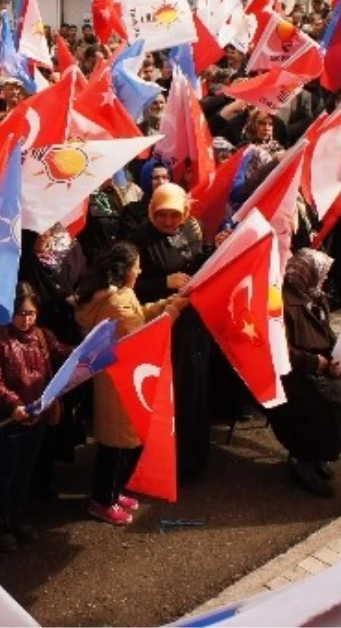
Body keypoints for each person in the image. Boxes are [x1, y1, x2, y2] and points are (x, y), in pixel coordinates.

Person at [73, 243, 188, 525]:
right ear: (126, 270)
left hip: (120, 376)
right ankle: (102, 500)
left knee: (121, 444)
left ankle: (112, 493)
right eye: (137, 266)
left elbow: (140, 314)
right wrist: (173, 311)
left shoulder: (119, 295)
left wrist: (165, 304)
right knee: (115, 447)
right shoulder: (116, 302)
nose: (140, 270)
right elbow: (142, 335)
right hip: (119, 381)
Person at [129, 183, 214, 481]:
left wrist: (219, 246)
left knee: (193, 389)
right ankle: (165, 459)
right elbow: (128, 287)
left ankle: (193, 457)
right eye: (161, 215)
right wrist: (164, 283)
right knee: (167, 392)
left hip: (193, 323)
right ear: (151, 211)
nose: (168, 221)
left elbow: (199, 262)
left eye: (174, 215)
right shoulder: (138, 238)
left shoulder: (192, 229)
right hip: (160, 325)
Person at [0, 282, 70, 552]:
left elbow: (65, 353)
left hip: (37, 418)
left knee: (25, 473)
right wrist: (14, 404)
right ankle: (2, 523)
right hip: (11, 421)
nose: (26, 319)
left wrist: (94, 349)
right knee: (6, 474)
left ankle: (19, 516)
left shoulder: (43, 336)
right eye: (21, 313)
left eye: (31, 313)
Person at [268, 249, 341, 497]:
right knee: (319, 409)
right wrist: (315, 363)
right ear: (305, 273)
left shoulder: (316, 296)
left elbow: (326, 332)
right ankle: (303, 462)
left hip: (318, 365)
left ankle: (321, 454)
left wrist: (336, 357)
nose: (324, 280)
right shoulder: (281, 302)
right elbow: (279, 349)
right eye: (321, 274)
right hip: (292, 374)